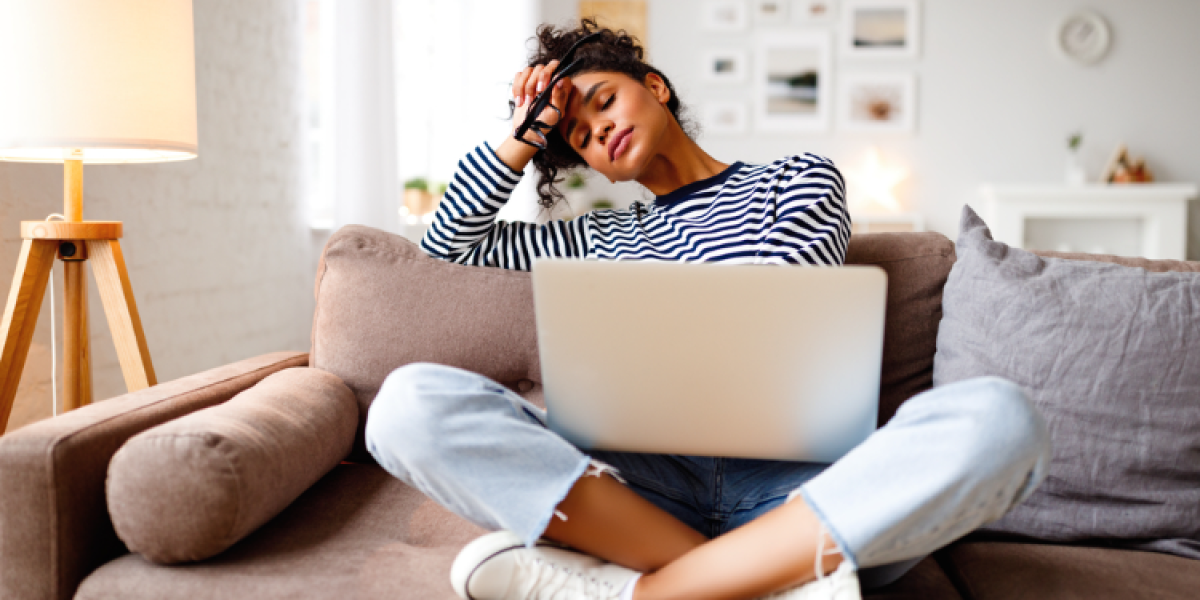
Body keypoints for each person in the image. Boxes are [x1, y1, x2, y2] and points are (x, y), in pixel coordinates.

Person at [365, 19, 1050, 600]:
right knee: (405, 406)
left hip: (802, 490)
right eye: (579, 136)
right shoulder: (593, 237)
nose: (600, 130)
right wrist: (523, 134)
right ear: (593, 167)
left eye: (604, 101)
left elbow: (774, 311)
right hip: (636, 489)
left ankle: (654, 590)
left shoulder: (797, 179)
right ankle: (766, 578)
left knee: (1000, 418)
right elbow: (447, 245)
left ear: (655, 87)